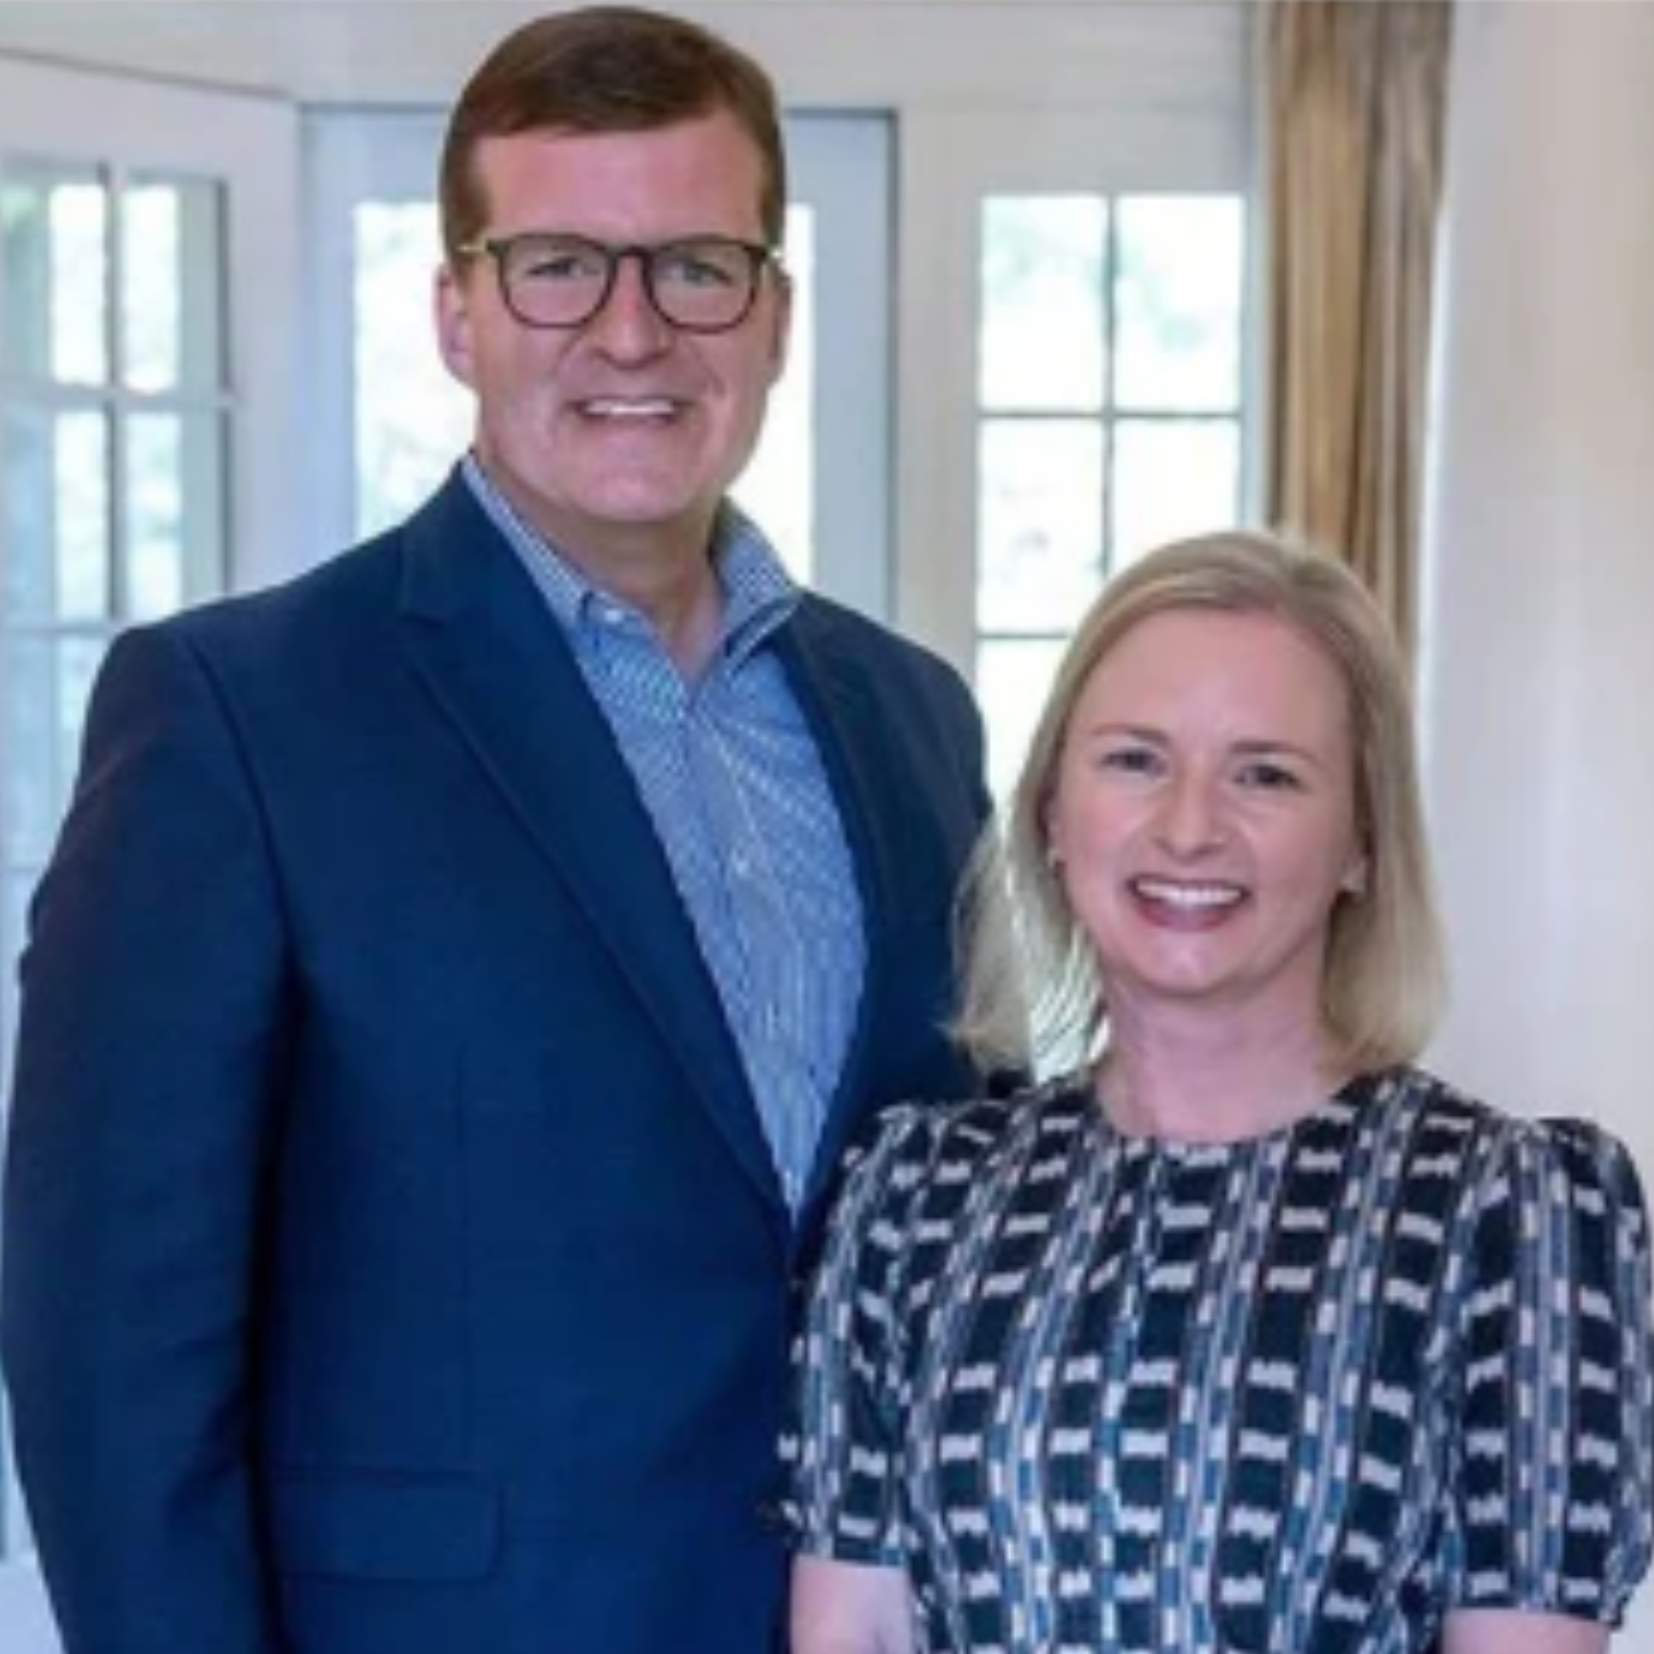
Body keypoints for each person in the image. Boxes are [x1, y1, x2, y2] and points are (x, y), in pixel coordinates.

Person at [0, 9, 989, 1654]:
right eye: (554, 265)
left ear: (773, 313)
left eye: (693, 265)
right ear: (457, 311)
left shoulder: (909, 719)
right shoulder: (238, 712)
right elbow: (111, 1339)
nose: (629, 330)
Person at [785, 529, 1654, 1654]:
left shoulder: (1513, 1209)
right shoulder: (914, 1193)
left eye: (1266, 773)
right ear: (1051, 811)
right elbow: (853, 1631)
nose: (1189, 826)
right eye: (1135, 759)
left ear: (1361, 841)